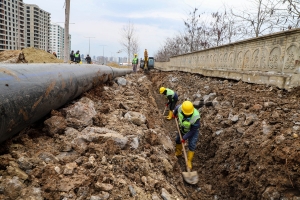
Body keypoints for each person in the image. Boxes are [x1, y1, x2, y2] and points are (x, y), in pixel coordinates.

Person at [173, 101, 200, 170]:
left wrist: (185, 138)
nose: (188, 115)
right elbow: (176, 108)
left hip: (192, 131)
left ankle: (189, 161)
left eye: (189, 114)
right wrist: (174, 114)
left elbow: (193, 130)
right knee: (178, 140)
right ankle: (178, 152)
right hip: (182, 128)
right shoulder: (180, 108)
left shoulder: (196, 117)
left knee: (192, 144)